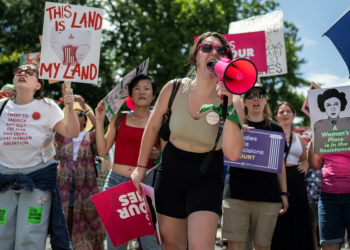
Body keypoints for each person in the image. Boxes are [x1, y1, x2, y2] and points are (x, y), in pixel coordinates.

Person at [130, 32, 245, 250]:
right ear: (195, 56)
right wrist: (140, 168)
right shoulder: (174, 88)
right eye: (207, 48)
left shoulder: (233, 99)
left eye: (221, 50)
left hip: (207, 176)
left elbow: (233, 153)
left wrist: (228, 103)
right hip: (171, 173)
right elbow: (153, 127)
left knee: (201, 246)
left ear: (226, 60)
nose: (214, 53)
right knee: (172, 245)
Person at [0, 64, 80, 249]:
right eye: (18, 71)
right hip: (3, 179)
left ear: (38, 85)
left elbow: (71, 132)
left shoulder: (47, 107)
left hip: (37, 180)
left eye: (29, 72)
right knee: (2, 233)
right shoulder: (2, 107)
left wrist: (69, 106)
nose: (22, 73)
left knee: (30, 234)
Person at [95, 74, 162, 250]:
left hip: (145, 186)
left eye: (146, 88)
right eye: (137, 88)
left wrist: (158, 153)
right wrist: (100, 120)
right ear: (130, 95)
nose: (141, 92)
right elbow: (102, 151)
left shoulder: (160, 121)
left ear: (154, 94)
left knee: (150, 244)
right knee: (115, 245)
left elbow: (167, 153)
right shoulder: (119, 118)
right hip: (116, 184)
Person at [221, 83, 288, 250]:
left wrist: (284, 193)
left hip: (267, 197)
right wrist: (237, 131)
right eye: (250, 96)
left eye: (260, 95)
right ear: (244, 102)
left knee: (262, 246)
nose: (255, 98)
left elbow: (280, 164)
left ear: (266, 100)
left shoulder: (276, 128)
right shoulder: (233, 124)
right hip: (236, 195)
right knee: (235, 245)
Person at [55, 90, 104, 249]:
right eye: (74, 114)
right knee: (64, 221)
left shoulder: (91, 136)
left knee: (86, 222)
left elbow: (101, 129)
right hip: (64, 184)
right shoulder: (62, 136)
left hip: (86, 186)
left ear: (85, 119)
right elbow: (50, 123)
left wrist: (84, 105)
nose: (77, 116)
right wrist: (62, 105)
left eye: (80, 114)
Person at [271, 102, 314, 250]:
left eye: (288, 111)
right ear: (276, 117)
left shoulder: (299, 138)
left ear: (293, 116)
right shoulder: (272, 135)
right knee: (280, 219)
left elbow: (304, 157)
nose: (285, 114)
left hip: (296, 180)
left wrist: (305, 165)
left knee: (299, 218)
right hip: (277, 179)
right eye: (281, 112)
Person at [308, 128, 350, 249]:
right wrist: (312, 146)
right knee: (329, 244)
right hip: (328, 198)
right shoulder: (325, 133)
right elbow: (315, 164)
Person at [313, 88, 350, 154]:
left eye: (336, 104)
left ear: (341, 104)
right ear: (324, 107)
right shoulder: (318, 125)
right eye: (328, 105)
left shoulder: (348, 122)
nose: (333, 108)